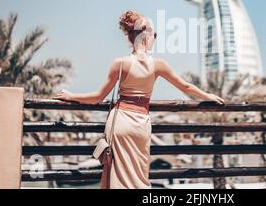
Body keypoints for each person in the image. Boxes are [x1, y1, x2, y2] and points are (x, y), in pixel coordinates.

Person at [53, 10, 224, 189]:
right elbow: (186, 86)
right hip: (141, 123)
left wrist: (71, 96)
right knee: (140, 177)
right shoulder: (159, 65)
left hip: (120, 121)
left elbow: (98, 97)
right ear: (145, 36)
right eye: (154, 34)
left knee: (117, 174)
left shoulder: (120, 63)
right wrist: (207, 96)